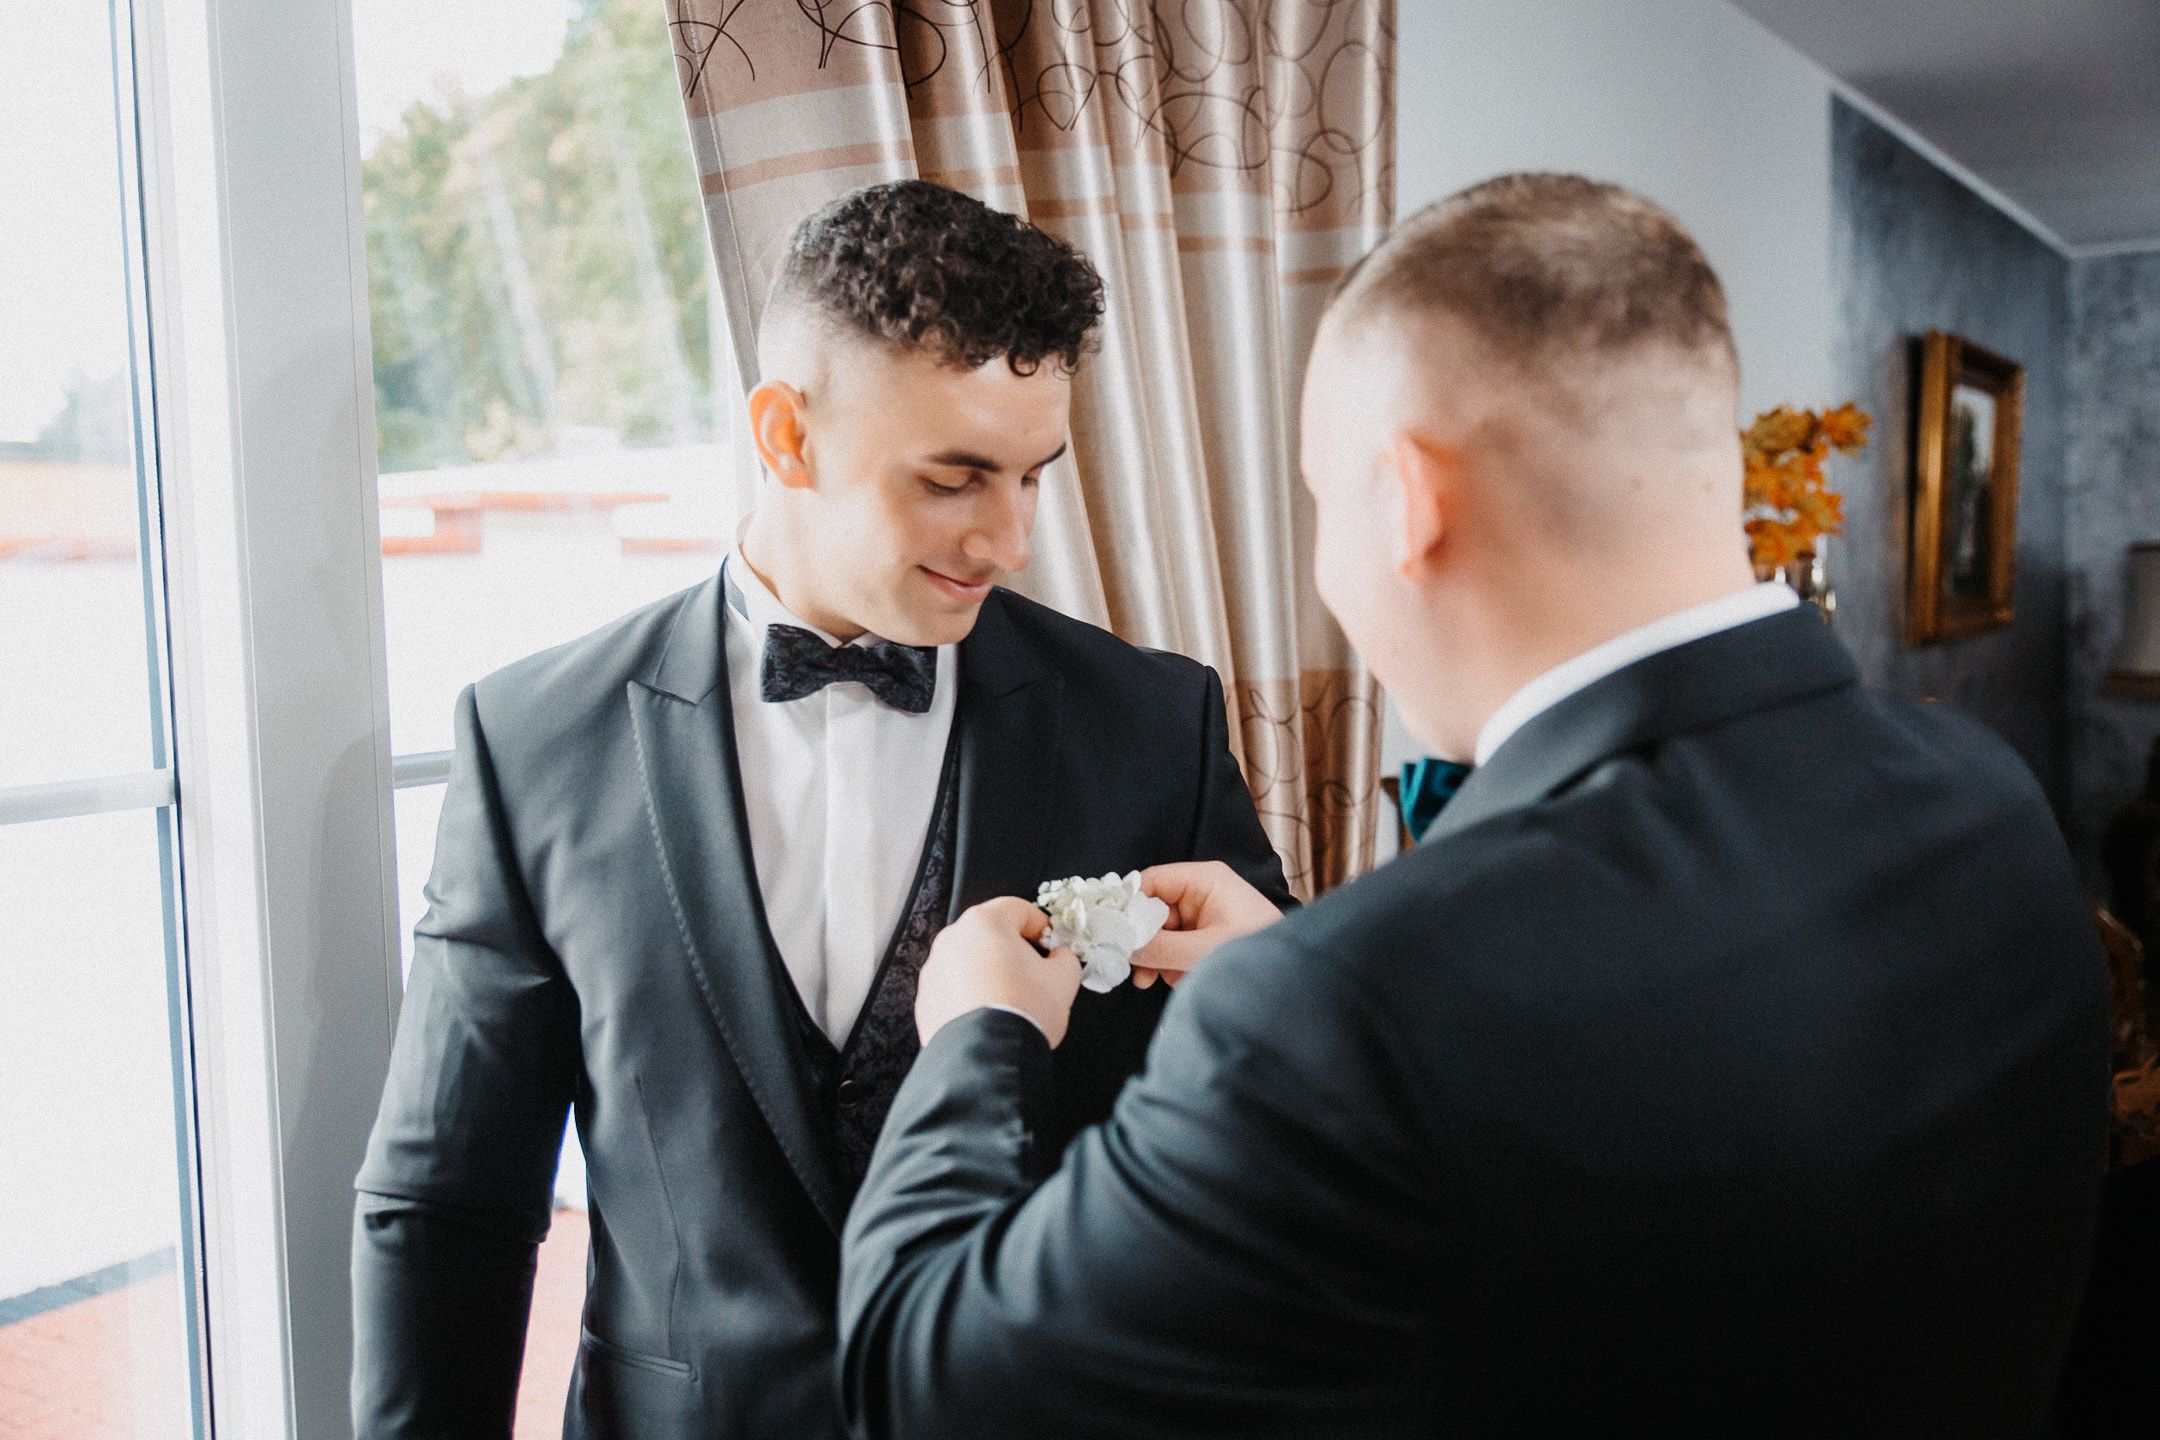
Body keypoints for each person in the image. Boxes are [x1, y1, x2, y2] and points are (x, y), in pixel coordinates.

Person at [837, 173, 2110, 1438]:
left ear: (1408, 501)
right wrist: (1309, 975)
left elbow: (926, 1385)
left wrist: (979, 1039)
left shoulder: (1353, 1010)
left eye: (1321, 501)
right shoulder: (1991, 798)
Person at [349, 180, 1290, 1439]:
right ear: (786, 436)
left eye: (1033, 477)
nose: (1009, 541)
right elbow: (448, 1204)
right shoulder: (534, 742)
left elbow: (1283, 1134)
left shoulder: (1149, 724)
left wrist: (1286, 981)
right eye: (954, 479)